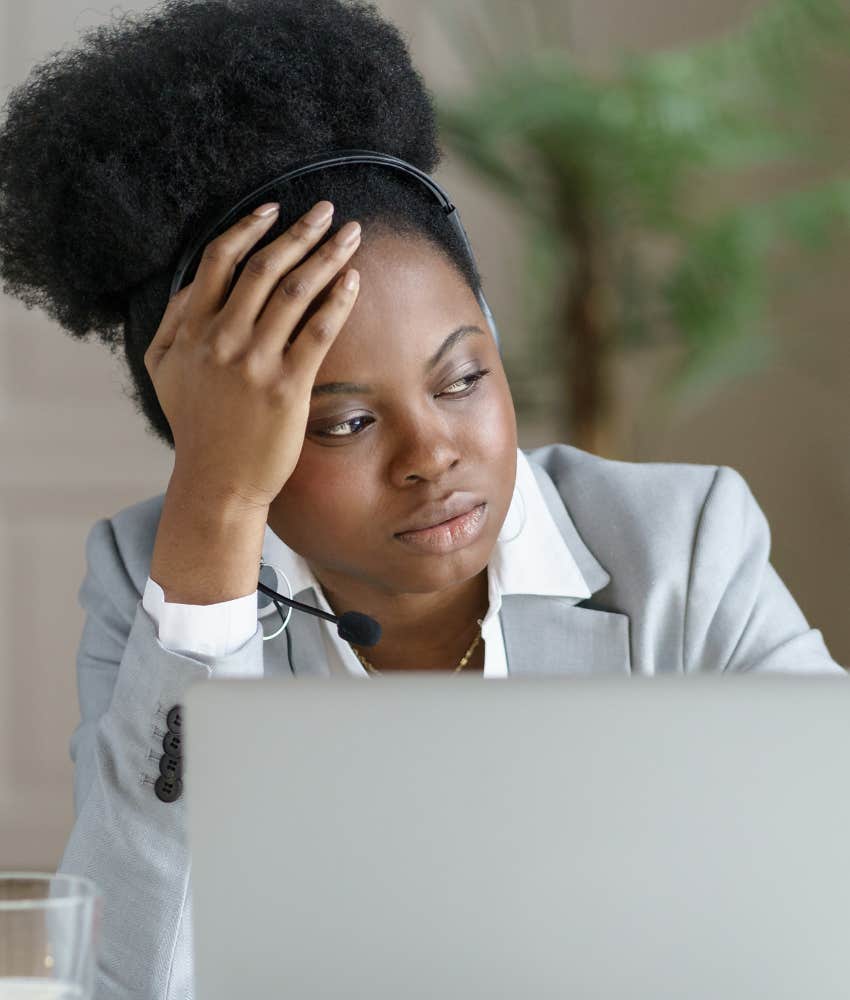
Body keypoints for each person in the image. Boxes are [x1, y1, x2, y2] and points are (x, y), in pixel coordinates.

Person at [0, 0, 844, 997]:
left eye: (462, 379)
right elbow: (126, 981)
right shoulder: (160, 579)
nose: (432, 454)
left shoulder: (682, 546)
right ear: (231, 439)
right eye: (346, 422)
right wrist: (215, 514)